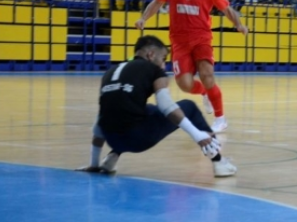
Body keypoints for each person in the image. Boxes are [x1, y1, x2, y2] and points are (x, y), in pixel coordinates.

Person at [76, 35, 236, 177]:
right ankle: (218, 162)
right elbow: (167, 107)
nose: (163, 66)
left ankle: (112, 156)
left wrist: (94, 164)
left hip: (112, 140)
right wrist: (197, 135)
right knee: (189, 107)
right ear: (151, 54)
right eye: (163, 59)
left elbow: (100, 121)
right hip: (137, 139)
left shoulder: (110, 72)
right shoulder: (153, 70)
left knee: (146, 109)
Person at [135, 0, 248, 133]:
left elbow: (227, 9)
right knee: (185, 84)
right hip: (179, 41)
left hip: (202, 38)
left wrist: (239, 24)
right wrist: (143, 18)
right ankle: (204, 92)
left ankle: (220, 118)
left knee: (207, 74)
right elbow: (157, 2)